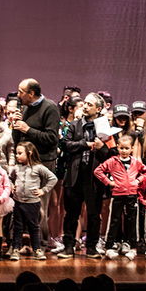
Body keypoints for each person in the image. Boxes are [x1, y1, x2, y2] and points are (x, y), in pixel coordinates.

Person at [58, 93, 110, 259]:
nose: (85, 106)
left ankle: (92, 247)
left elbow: (111, 153)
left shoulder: (103, 127)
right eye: (85, 103)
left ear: (98, 109)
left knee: (94, 214)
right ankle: (68, 246)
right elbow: (65, 144)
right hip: (75, 174)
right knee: (71, 213)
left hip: (93, 177)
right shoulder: (74, 125)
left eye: (89, 104)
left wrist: (102, 147)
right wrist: (84, 144)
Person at [12, 78, 61, 242]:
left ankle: (40, 242)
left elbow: (52, 138)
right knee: (24, 204)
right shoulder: (25, 109)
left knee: (39, 205)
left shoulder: (50, 108)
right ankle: (25, 242)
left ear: (31, 93)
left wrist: (28, 129)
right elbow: (18, 138)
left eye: (21, 92)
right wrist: (16, 125)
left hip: (43, 162)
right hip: (25, 162)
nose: (18, 95)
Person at [93, 135, 146, 260]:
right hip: (117, 195)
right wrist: (109, 182)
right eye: (122, 148)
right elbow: (98, 171)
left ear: (132, 149)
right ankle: (109, 246)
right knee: (114, 221)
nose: (124, 151)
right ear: (118, 147)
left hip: (132, 195)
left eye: (127, 148)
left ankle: (132, 247)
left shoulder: (136, 162)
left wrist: (138, 181)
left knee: (132, 221)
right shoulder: (112, 161)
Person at [9, 142, 57, 261]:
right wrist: (11, 185)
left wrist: (43, 190)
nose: (17, 156)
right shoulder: (16, 168)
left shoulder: (38, 168)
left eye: (20, 153)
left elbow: (53, 178)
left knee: (34, 227)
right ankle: (15, 249)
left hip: (32, 203)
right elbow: (9, 178)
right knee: (18, 227)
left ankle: (37, 249)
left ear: (29, 154)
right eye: (16, 153)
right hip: (18, 202)